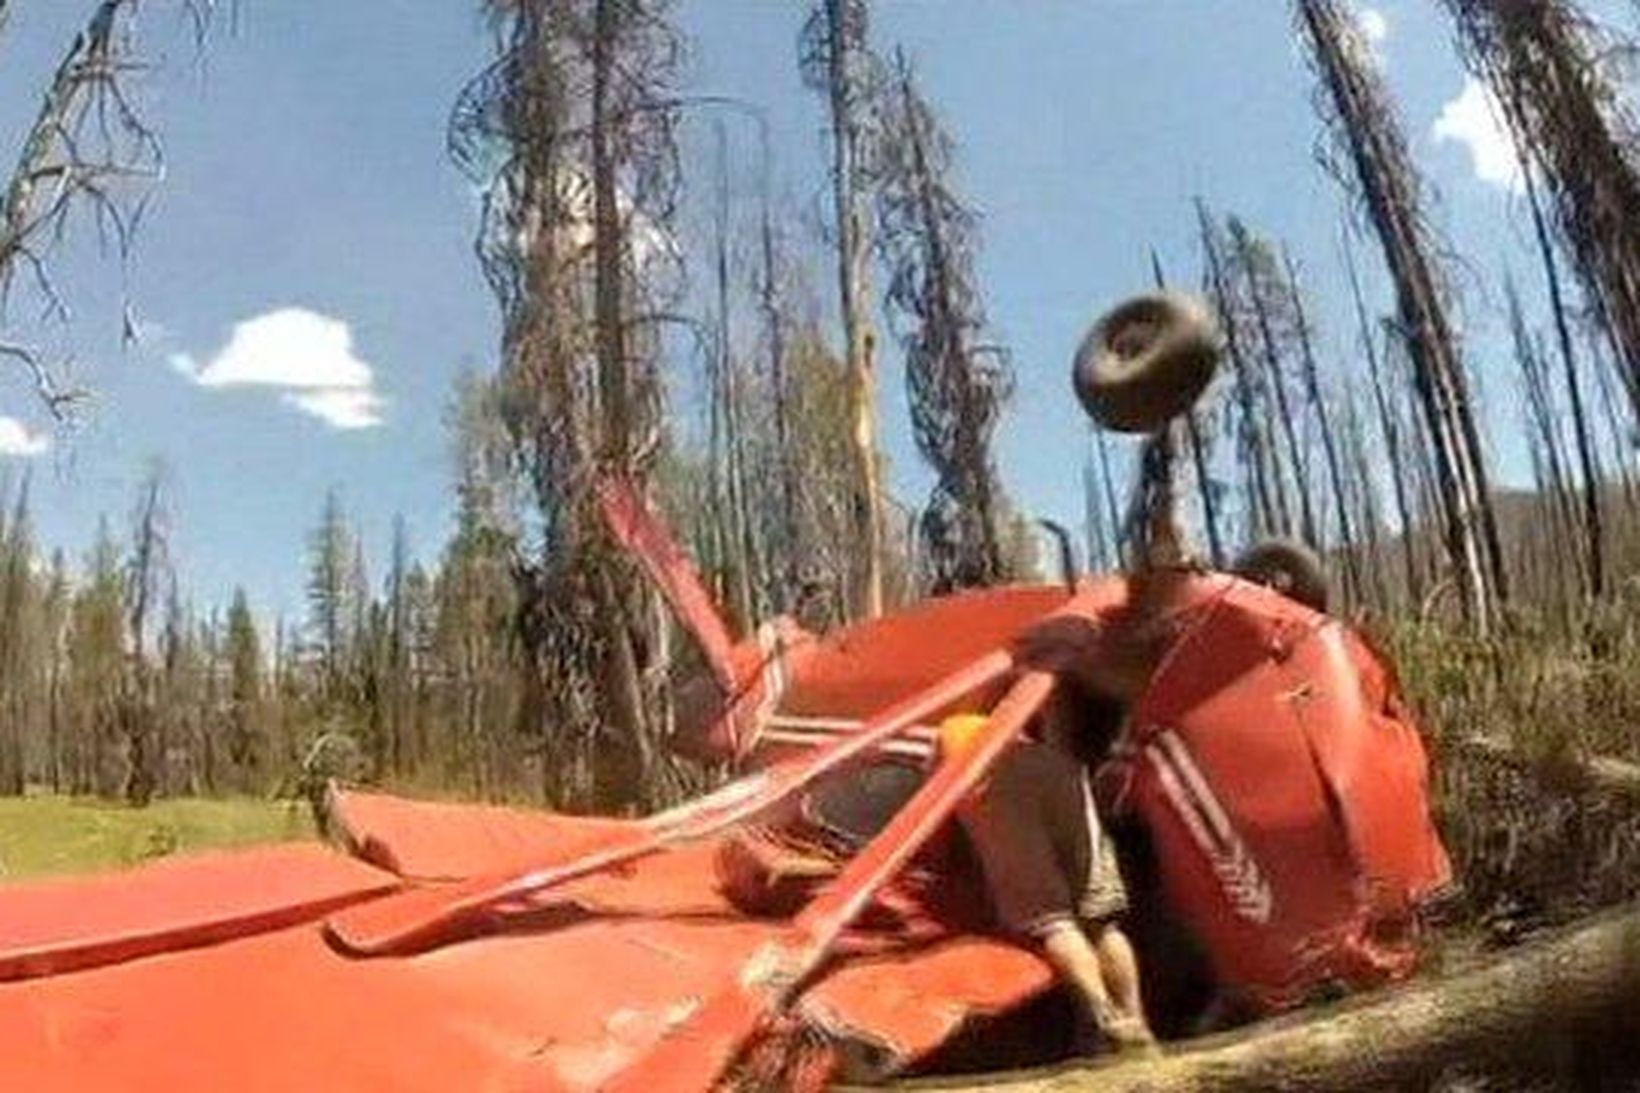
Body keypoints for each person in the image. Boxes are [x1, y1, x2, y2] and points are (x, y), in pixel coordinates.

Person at [948, 695, 1158, 1056]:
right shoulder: (1025, 730)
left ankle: (1104, 1018)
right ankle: (1136, 1019)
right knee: (1102, 922)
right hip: (1060, 772)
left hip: (994, 783)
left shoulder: (948, 735)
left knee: (1055, 923)